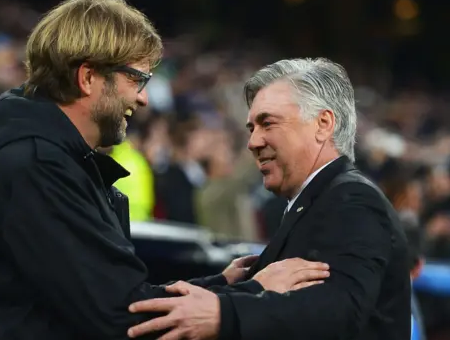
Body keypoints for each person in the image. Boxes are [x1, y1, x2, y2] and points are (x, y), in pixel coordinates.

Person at [0, 0, 329, 340]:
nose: (144, 97)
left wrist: (222, 285)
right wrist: (255, 293)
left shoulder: (54, 162)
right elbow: (124, 318)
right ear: (87, 78)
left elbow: (115, 297)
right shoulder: (39, 168)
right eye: (136, 78)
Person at [127, 58, 412, 340]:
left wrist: (225, 314)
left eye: (268, 123)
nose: (253, 142)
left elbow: (339, 312)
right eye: (252, 128)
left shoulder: (352, 200)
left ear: (323, 124)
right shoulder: (315, 200)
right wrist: (233, 289)